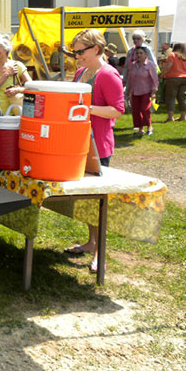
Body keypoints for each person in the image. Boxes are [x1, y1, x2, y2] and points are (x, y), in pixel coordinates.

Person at [64, 29, 124, 273]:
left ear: (96, 49)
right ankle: (91, 242)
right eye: (75, 51)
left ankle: (100, 252)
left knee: (98, 200)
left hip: (98, 145)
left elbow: (118, 110)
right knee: (87, 199)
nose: (76, 56)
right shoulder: (81, 72)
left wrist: (87, 109)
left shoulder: (108, 75)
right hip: (81, 143)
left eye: (80, 51)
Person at [0, 34, 31, 115]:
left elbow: (32, 87)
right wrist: (6, 75)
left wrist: (18, 90)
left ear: (6, 48)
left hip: (13, 114)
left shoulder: (17, 66)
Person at [125, 46, 158, 135]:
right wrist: (129, 91)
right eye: (137, 53)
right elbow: (131, 79)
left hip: (146, 91)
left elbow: (154, 79)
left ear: (146, 55)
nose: (139, 55)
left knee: (145, 109)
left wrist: (153, 92)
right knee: (136, 110)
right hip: (135, 91)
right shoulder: (133, 65)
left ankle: (149, 126)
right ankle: (140, 128)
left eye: (141, 53)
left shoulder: (150, 65)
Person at [161, 43, 186, 122]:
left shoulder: (172, 55)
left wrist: (162, 74)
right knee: (183, 97)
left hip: (173, 78)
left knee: (171, 97)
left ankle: (171, 117)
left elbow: (168, 66)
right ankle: (183, 116)